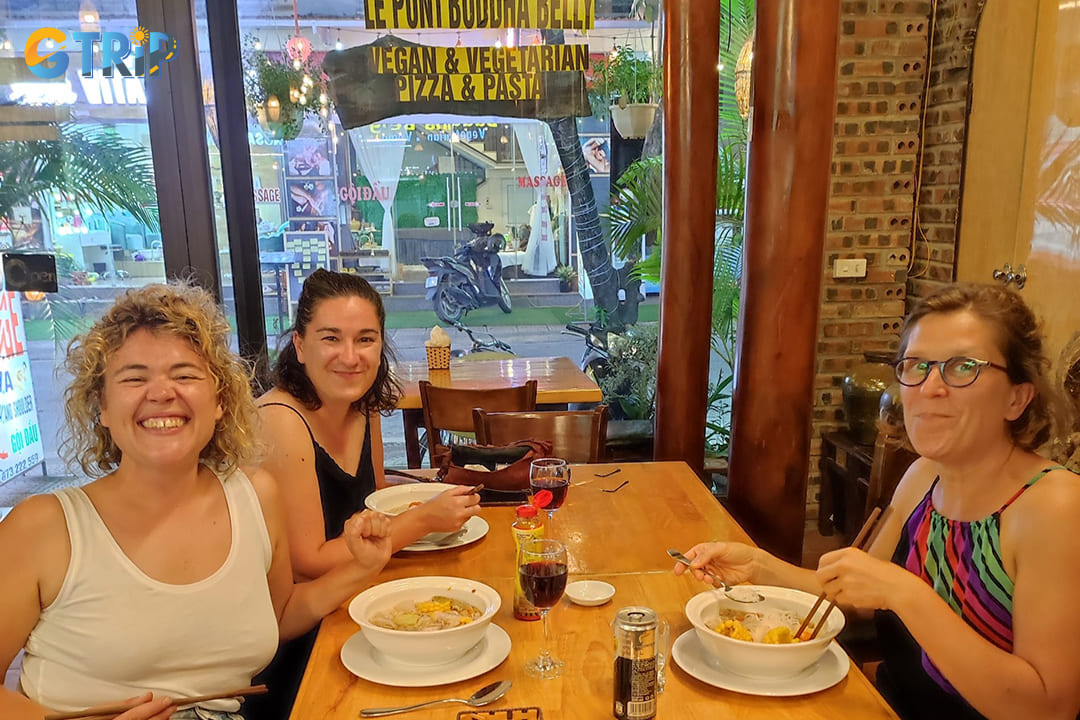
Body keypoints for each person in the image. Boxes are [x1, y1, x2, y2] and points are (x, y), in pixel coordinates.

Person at [675, 284, 1080, 720]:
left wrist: (906, 593)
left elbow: (1049, 707)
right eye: (917, 366)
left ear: (1018, 396)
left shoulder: (1054, 506)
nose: (931, 387)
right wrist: (758, 567)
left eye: (963, 367)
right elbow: (858, 595)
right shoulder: (924, 476)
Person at [0, 283, 393, 720]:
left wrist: (362, 566)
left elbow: (278, 615)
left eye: (185, 374)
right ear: (103, 408)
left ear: (220, 401)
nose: (162, 392)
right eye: (134, 377)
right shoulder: (43, 528)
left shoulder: (256, 495)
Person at [251, 269, 480, 719]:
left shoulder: (363, 406)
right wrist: (423, 520)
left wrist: (427, 491)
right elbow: (307, 560)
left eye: (366, 339)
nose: (350, 357)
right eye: (331, 338)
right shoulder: (280, 420)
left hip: (356, 598)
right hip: (299, 644)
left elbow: (374, 507)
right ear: (299, 345)